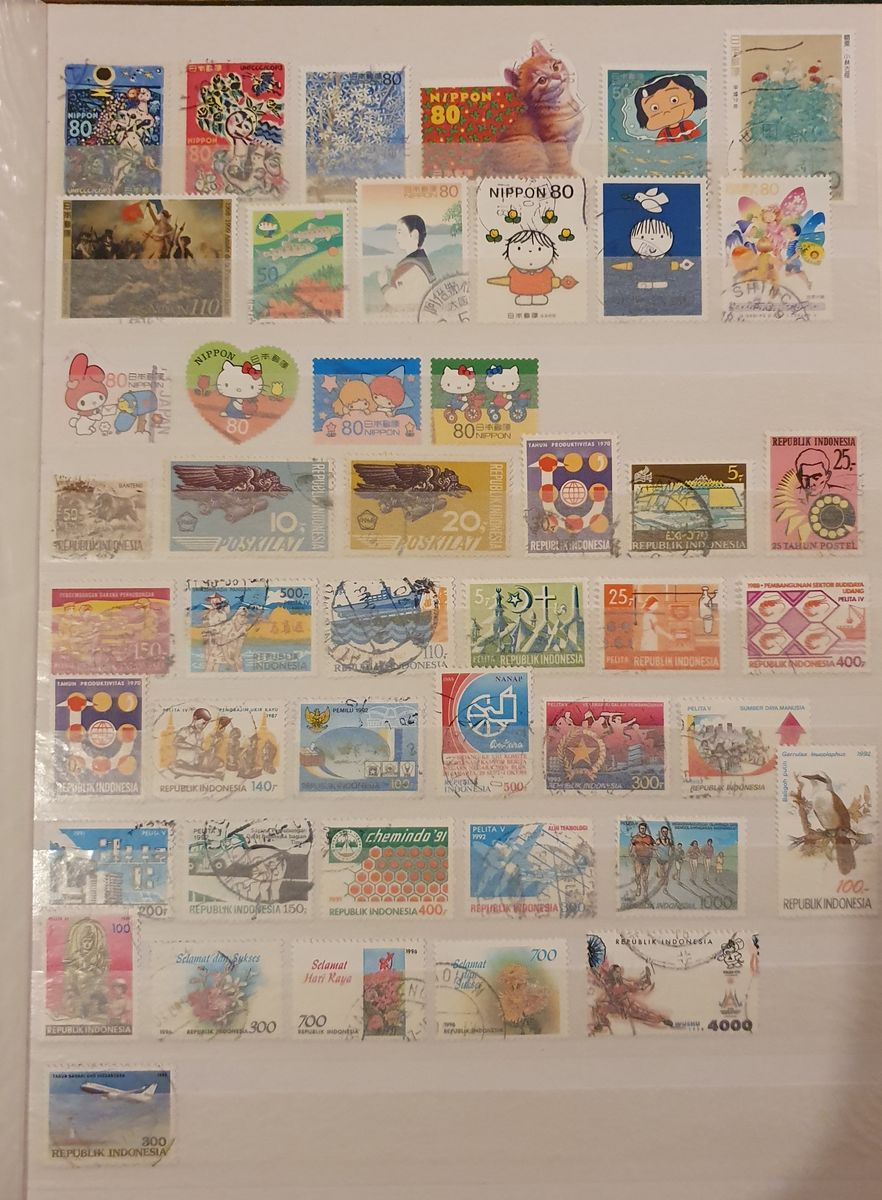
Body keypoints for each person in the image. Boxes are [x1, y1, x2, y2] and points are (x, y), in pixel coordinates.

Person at [486, 227, 576, 306]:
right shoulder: (515, 272)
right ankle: (524, 297)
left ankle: (538, 296)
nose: (530, 252)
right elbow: (510, 280)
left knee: (540, 298)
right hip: (522, 291)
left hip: (541, 291)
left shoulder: (547, 272)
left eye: (539, 249)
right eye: (519, 248)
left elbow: (549, 280)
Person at [380, 215, 436, 310]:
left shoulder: (413, 266)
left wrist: (384, 286)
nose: (395, 237)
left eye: (399, 232)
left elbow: (402, 302)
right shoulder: (420, 261)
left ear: (413, 234)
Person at [633, 73, 707, 143]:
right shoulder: (663, 133)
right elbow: (661, 148)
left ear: (690, 94)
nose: (666, 111)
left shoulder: (688, 125)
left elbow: (698, 140)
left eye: (674, 100)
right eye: (655, 108)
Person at [629, 821, 655, 901]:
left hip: (647, 859)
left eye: (644, 828)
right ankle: (639, 887)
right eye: (641, 828)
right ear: (639, 829)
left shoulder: (649, 838)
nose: (642, 830)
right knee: (637, 875)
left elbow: (654, 847)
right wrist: (631, 852)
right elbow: (631, 846)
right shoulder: (635, 837)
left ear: (645, 829)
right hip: (638, 859)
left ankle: (645, 892)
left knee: (645, 877)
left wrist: (649, 847)